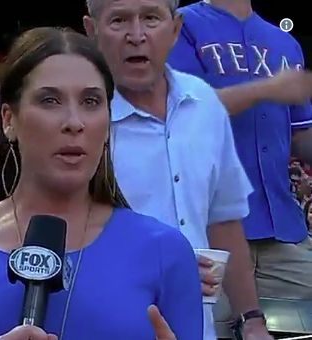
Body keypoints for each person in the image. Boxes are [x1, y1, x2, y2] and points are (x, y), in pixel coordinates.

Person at [0, 27, 203, 340]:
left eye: (91, 102)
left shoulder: (166, 252)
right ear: (9, 121)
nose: (74, 123)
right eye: (50, 100)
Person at [82, 0, 268, 339]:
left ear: (176, 28)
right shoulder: (77, 119)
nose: (136, 35)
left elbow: (223, 219)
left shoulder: (204, 103)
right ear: (92, 30)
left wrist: (252, 320)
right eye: (119, 20)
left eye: (151, 18)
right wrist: (160, 268)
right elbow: (49, 234)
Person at [167, 0, 312, 335]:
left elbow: (300, 136)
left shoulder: (284, 42)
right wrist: (267, 89)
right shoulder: (179, 25)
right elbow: (185, 108)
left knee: (300, 329)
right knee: (207, 331)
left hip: (283, 231)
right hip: (206, 232)